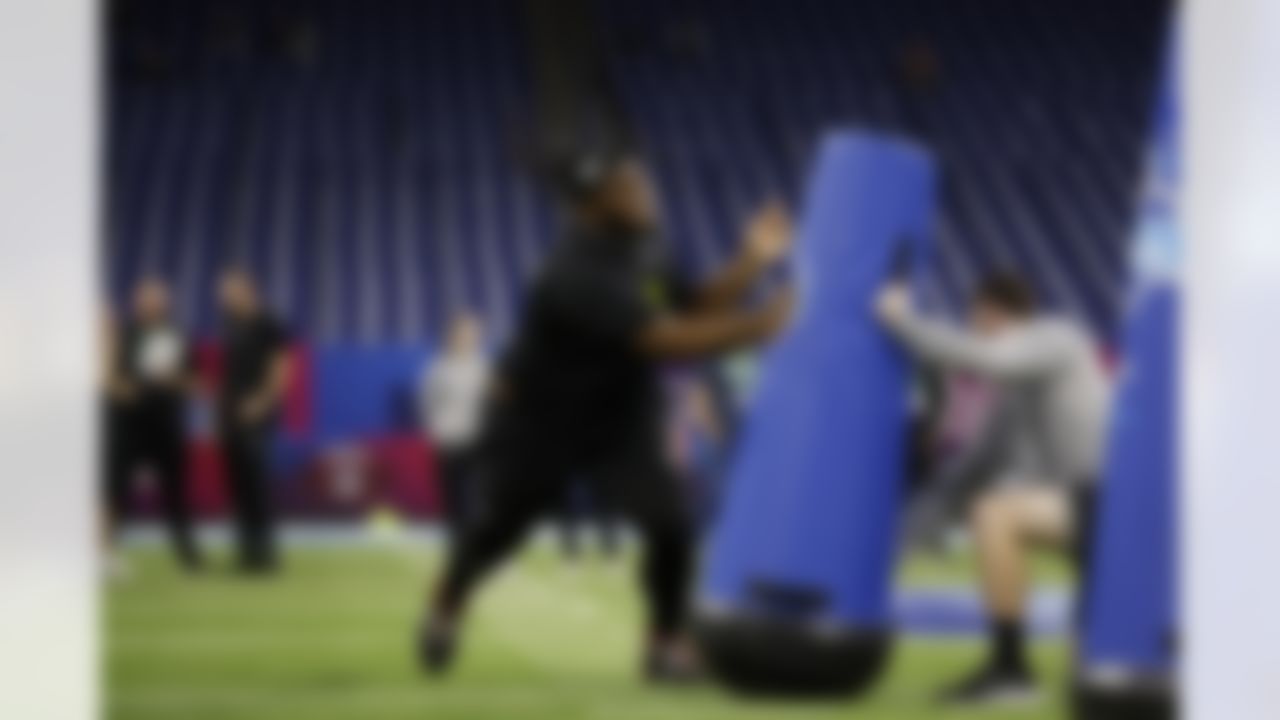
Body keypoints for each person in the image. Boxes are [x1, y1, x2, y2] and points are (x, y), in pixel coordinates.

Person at [418, 150, 795, 683]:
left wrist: (752, 259)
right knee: (499, 532)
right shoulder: (570, 271)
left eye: (642, 183)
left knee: (670, 524)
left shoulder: (650, 243)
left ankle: (665, 646)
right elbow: (660, 339)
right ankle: (447, 603)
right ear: (591, 206)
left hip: (620, 412)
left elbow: (689, 304)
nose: (645, 195)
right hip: (543, 418)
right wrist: (758, 328)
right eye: (627, 189)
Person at [875, 272, 1112, 707]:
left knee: (996, 513)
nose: (973, 330)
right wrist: (902, 539)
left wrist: (900, 320)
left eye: (975, 320)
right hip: (1090, 508)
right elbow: (969, 472)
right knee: (1094, 684)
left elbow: (986, 358)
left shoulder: (1058, 337)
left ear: (990, 313)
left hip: (1113, 502)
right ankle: (1010, 669)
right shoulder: (1016, 397)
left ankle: (1010, 672)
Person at [107, 278, 203, 571]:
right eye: (146, 298)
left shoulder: (179, 335)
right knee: (114, 491)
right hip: (127, 423)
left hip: (166, 424)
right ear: (136, 302)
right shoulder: (123, 335)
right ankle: (104, 552)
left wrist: (174, 380)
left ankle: (189, 558)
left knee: (176, 493)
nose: (152, 303)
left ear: (166, 303)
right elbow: (107, 377)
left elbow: (194, 383)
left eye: (157, 298)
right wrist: (122, 388)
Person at [216, 268, 291, 574]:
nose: (223, 297)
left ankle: (266, 554)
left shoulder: (269, 322)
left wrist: (262, 402)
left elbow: (282, 367)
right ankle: (247, 552)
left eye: (228, 291)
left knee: (257, 483)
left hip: (257, 415)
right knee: (239, 484)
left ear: (247, 290)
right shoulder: (231, 324)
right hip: (231, 415)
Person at [421, 311, 491, 538]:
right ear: (451, 337)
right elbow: (428, 404)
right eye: (462, 334)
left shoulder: (483, 368)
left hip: (477, 439)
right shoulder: (439, 369)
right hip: (449, 440)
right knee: (453, 497)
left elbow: (491, 404)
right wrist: (436, 433)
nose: (468, 338)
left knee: (479, 495)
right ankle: (457, 543)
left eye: (472, 334)